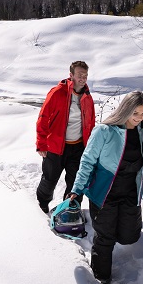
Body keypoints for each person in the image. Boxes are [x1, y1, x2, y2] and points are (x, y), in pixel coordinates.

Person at [69, 91, 143, 284]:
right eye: (135, 113)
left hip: (130, 194)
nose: (139, 118)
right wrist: (77, 190)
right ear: (125, 109)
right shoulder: (105, 131)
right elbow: (87, 162)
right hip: (104, 195)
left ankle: (106, 246)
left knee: (129, 236)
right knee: (105, 238)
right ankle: (101, 280)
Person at [35, 61, 96, 214]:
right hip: (55, 146)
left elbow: (91, 123)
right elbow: (43, 117)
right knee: (49, 180)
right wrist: (41, 143)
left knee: (76, 183)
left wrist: (91, 146)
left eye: (85, 76)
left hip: (78, 147)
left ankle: (69, 209)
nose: (83, 78)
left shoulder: (88, 98)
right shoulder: (57, 93)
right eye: (80, 75)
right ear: (71, 75)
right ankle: (41, 204)